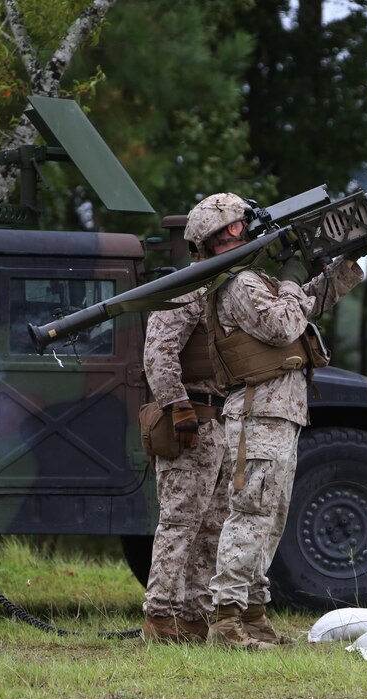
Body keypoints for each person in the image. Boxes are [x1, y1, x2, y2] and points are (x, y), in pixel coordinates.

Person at [183, 192, 366, 650]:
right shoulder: (238, 284)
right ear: (225, 232)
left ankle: (254, 616)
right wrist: (292, 276)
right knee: (249, 516)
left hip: (277, 413)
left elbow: (305, 303)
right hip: (258, 413)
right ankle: (226, 622)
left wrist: (344, 264)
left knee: (271, 517)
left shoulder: (256, 280)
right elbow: (283, 327)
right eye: (237, 224)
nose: (244, 228)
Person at [140, 218, 232, 643]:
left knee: (213, 525)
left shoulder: (231, 289)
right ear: (204, 242)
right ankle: (160, 616)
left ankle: (195, 615)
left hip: (222, 421)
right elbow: (159, 353)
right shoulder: (187, 288)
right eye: (226, 234)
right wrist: (178, 408)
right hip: (192, 422)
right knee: (179, 522)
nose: (235, 239)